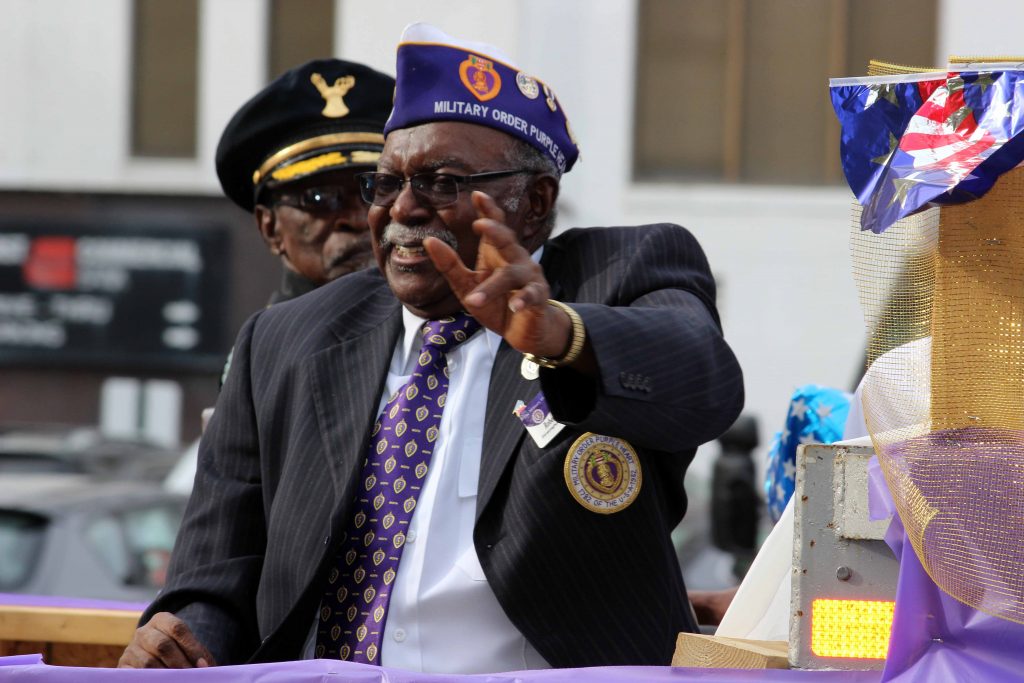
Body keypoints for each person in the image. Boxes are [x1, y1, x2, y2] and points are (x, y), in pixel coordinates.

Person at [119, 24, 744, 673]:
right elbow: (217, 577)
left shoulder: (617, 273)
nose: (403, 209)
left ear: (534, 202)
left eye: (441, 181)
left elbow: (703, 381)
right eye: (385, 184)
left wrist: (560, 334)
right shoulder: (284, 340)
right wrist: (182, 638)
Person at [216, 58, 395, 306]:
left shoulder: (435, 337)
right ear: (269, 227)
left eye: (376, 190)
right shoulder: (261, 345)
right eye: (319, 198)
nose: (357, 218)